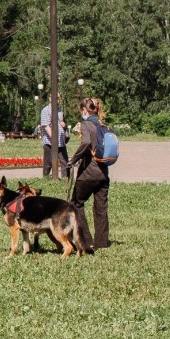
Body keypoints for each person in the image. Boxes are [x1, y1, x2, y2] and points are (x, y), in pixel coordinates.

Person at [68, 97, 110, 252]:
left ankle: (86, 240)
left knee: (76, 204)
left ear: (85, 110)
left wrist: (73, 160)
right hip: (103, 172)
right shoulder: (102, 124)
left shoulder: (87, 124)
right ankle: (102, 242)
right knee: (101, 208)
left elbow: (85, 143)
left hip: (88, 173)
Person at [38, 97, 67, 177]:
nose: (57, 99)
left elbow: (61, 123)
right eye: (55, 97)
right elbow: (46, 126)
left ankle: (65, 178)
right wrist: (54, 139)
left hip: (61, 141)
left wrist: (63, 125)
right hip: (49, 141)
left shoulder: (59, 110)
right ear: (50, 98)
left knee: (64, 161)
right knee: (48, 162)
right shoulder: (45, 110)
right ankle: (46, 178)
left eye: (58, 98)